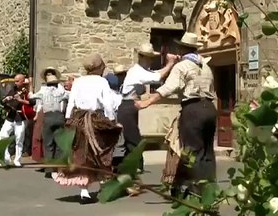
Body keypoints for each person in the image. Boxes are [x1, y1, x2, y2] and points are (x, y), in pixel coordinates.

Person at [134, 32, 217, 196]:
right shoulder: (206, 66)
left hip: (192, 109)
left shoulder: (182, 66)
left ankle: (195, 189)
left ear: (182, 48)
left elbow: (168, 87)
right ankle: (208, 187)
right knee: (207, 150)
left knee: (191, 150)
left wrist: (147, 102)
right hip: (209, 108)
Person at [52, 53, 122, 204]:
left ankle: (84, 191)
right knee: (101, 152)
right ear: (99, 67)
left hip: (78, 120)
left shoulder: (78, 82)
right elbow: (108, 104)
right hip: (95, 120)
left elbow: (71, 102)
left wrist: (68, 120)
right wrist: (112, 121)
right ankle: (103, 185)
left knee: (81, 155)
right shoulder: (102, 82)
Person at [118, 43, 178, 172]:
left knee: (132, 139)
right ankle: (134, 166)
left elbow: (156, 73)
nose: (151, 60)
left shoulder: (141, 71)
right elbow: (158, 77)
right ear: (142, 57)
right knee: (134, 140)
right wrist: (170, 63)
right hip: (127, 106)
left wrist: (171, 64)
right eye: (149, 58)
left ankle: (129, 166)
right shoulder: (136, 71)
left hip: (130, 107)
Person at [29, 67, 69, 178]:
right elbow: (70, 95)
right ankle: (59, 169)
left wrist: (30, 89)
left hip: (48, 117)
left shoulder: (43, 91)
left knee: (48, 144)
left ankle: (50, 170)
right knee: (59, 144)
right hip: (59, 117)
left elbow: (31, 97)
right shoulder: (61, 92)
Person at [0, 74, 37, 167]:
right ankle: (6, 158)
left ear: (22, 81)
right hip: (11, 116)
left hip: (20, 117)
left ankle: (17, 160)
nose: (15, 83)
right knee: (2, 136)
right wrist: (5, 100)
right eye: (14, 81)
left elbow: (32, 103)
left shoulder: (27, 91)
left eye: (17, 81)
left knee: (19, 139)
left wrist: (20, 100)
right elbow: (3, 101)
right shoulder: (12, 89)